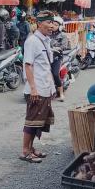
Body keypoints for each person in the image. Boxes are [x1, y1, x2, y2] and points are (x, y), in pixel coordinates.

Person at [20, 11, 59, 163]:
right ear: (39, 24)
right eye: (48, 22)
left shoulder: (45, 41)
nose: (51, 26)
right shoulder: (32, 41)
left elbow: (45, 67)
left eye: (52, 23)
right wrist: (33, 89)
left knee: (40, 121)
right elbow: (28, 66)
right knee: (32, 120)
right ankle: (25, 151)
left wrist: (52, 88)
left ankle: (31, 148)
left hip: (45, 87)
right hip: (36, 88)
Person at [50, 16, 70, 101]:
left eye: (56, 25)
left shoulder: (63, 35)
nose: (53, 26)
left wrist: (56, 48)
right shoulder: (48, 34)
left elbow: (64, 46)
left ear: (60, 26)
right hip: (47, 56)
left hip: (57, 57)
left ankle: (61, 93)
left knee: (55, 74)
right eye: (52, 24)